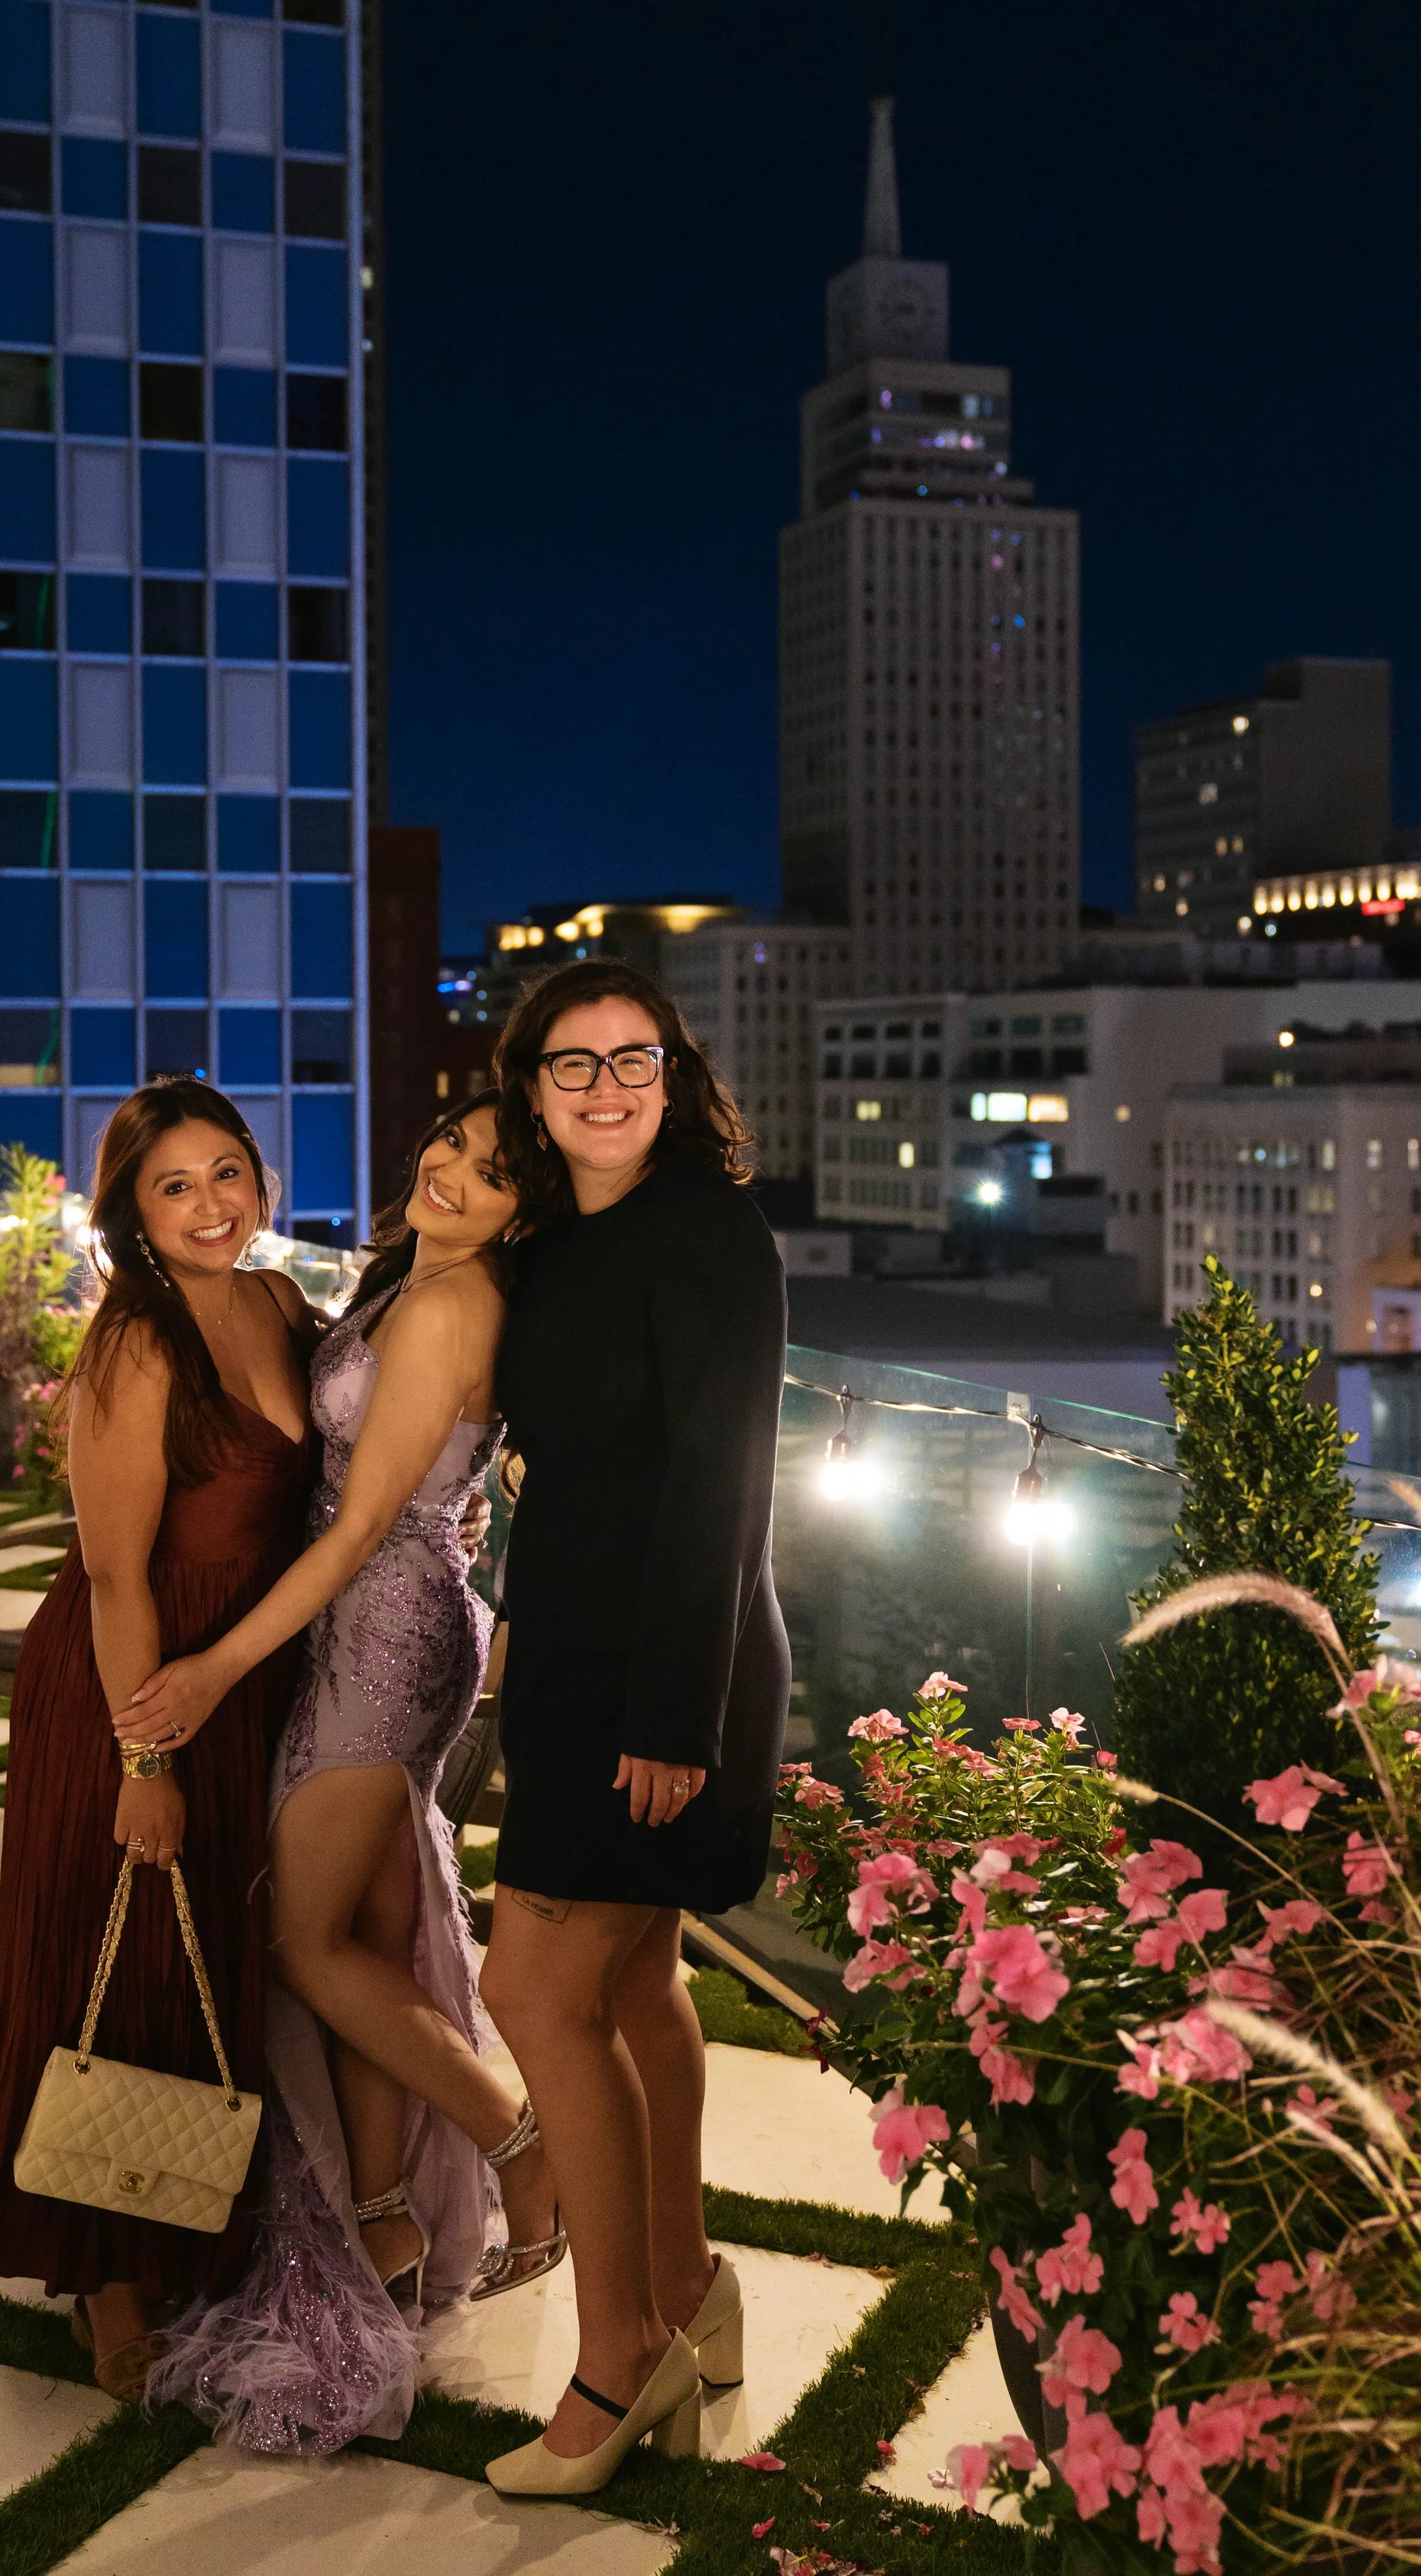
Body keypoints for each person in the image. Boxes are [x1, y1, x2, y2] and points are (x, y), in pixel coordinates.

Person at [112, 1095, 564, 2451]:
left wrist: (208, 1670)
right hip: (390, 1607)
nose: (452, 1173)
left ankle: (518, 2140)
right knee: (367, 1929)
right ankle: (383, 2221)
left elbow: (366, 1516)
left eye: (492, 1174)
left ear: (522, 1211)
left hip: (378, 1625)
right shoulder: (403, 1285)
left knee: (305, 1943)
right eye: (450, 1145)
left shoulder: (445, 1303)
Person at [0, 1079, 319, 2400]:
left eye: (231, 1172)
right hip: (135, 1678)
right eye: (177, 1186)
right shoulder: (135, 1344)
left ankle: (192, 2223)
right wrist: (142, 1762)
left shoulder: (275, 1302)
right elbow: (112, 1577)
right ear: (133, 1215)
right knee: (118, 1949)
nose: (215, 1204)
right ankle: (103, 2271)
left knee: (212, 1948)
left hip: (243, 1669)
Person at [475, 959, 789, 2499]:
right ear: (527, 1089)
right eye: (571, 1065)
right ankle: (689, 2286)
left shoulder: (708, 1232)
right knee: (636, 1982)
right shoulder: (551, 1238)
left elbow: (720, 1487)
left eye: (633, 1059)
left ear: (673, 1076)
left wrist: (672, 1716)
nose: (605, 1086)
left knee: (531, 1990)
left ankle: (618, 2359)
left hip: (664, 1676)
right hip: (572, 1659)